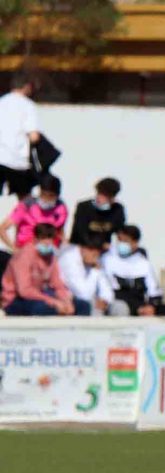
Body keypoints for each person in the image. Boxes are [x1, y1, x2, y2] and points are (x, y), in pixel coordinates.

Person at [103, 225, 165, 316]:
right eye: (119, 240)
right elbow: (110, 291)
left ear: (135, 243)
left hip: (142, 304)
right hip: (122, 303)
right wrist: (137, 308)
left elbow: (154, 291)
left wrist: (151, 306)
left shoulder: (143, 263)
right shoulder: (108, 260)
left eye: (125, 241)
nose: (121, 244)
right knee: (120, 308)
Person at [0, 222, 72, 315]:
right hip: (15, 300)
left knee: (81, 305)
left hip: (39, 295)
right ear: (35, 239)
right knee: (45, 309)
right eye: (43, 238)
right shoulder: (24, 256)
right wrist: (52, 301)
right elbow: (24, 291)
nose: (47, 242)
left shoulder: (51, 256)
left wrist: (66, 301)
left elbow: (57, 284)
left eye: (50, 238)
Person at [59, 235, 129, 316]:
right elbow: (83, 294)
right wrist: (95, 271)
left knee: (120, 306)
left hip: (93, 299)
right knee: (94, 310)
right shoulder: (69, 260)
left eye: (97, 254)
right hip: (74, 300)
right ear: (84, 249)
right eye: (94, 254)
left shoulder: (92, 260)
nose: (96, 258)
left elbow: (107, 289)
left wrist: (105, 300)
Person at [0, 173, 67, 252]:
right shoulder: (27, 205)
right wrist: (14, 249)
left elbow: (60, 233)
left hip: (49, 253)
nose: (46, 199)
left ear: (57, 195)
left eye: (51, 196)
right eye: (44, 194)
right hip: (27, 250)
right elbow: (2, 228)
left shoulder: (60, 208)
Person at [0, 72, 41, 200]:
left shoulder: (1, 102)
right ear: (26, 86)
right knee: (24, 199)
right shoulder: (28, 105)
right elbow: (34, 136)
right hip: (17, 160)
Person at [69, 177, 126, 247]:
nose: (101, 199)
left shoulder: (117, 209)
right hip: (81, 247)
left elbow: (120, 232)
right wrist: (99, 245)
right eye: (101, 194)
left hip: (105, 250)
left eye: (107, 197)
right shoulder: (83, 207)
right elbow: (79, 233)